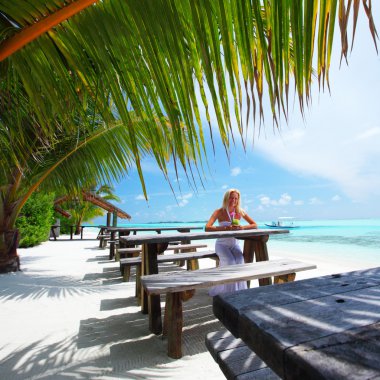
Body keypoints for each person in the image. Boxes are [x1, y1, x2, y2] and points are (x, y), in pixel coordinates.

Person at [205, 188, 257, 296]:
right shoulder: (219, 211)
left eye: (236, 198)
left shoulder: (239, 211)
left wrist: (243, 227)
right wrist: (224, 229)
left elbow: (254, 224)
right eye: (231, 198)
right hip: (222, 245)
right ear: (226, 198)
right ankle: (228, 293)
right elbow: (207, 228)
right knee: (230, 262)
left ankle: (239, 292)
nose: (233, 200)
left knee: (240, 261)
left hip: (234, 244)